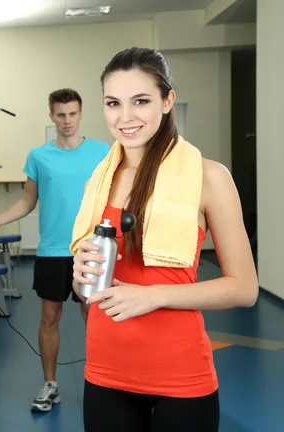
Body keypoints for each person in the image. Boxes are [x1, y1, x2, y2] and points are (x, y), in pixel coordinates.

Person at [71, 47, 258, 432]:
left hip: (179, 375)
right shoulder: (100, 178)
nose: (125, 117)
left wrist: (153, 295)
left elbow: (245, 288)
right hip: (105, 370)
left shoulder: (208, 177)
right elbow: (88, 290)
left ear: (167, 100)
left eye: (141, 101)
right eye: (113, 103)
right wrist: (80, 275)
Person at [0, 89, 110, 412]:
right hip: (52, 250)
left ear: (81, 114)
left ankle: (102, 382)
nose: (67, 121)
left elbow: (113, 198)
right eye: (61, 115)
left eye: (73, 114)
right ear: (51, 116)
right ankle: (50, 384)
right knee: (49, 317)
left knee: (93, 316)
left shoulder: (103, 152)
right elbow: (26, 201)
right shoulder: (39, 156)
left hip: (90, 248)